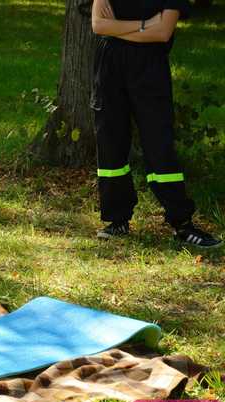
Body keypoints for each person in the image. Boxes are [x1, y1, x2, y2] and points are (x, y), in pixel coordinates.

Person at [90, 0, 222, 248]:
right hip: (109, 67)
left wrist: (117, 27)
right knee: (110, 143)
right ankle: (117, 220)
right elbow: (98, 24)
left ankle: (182, 224)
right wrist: (144, 25)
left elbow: (162, 32)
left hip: (150, 69)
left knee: (159, 145)